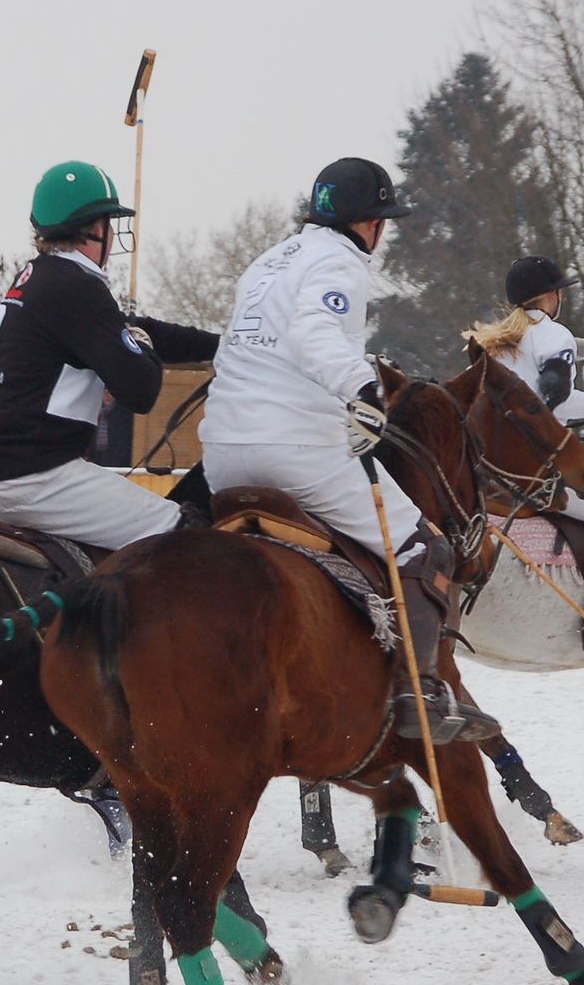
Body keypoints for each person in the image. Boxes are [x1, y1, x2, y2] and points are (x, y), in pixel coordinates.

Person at [198, 156, 496, 741]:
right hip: (294, 448)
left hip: (221, 454)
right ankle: (421, 691)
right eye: (382, 221)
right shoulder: (341, 261)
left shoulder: (266, 262)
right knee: (426, 547)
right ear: (369, 223)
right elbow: (314, 333)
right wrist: (362, 388)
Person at [0, 160, 219, 547]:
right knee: (185, 541)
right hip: (33, 478)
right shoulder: (78, 285)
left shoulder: (42, 276)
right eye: (109, 223)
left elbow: (129, 326)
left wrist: (222, 347)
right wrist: (140, 343)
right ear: (95, 228)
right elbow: (141, 391)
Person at [469, 256, 584, 657]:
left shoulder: (498, 341)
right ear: (552, 297)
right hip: (539, 471)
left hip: (490, 470)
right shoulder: (555, 337)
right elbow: (555, 401)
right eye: (560, 293)